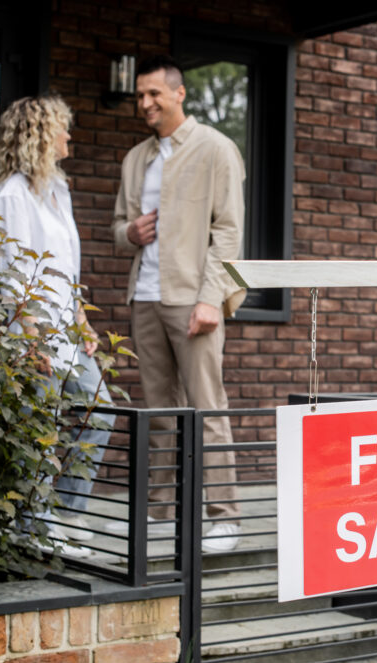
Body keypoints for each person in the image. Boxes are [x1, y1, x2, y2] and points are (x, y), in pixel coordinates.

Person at [111, 55, 245, 553]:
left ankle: (225, 518)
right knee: (159, 414)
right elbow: (118, 227)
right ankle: (159, 517)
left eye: (154, 94)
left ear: (179, 94)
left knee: (208, 407)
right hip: (144, 298)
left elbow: (229, 230)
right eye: (140, 96)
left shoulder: (215, 149)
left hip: (193, 299)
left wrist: (212, 298)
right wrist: (129, 232)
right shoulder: (134, 159)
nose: (145, 103)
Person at [0, 94, 116, 550]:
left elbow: (66, 264)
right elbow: (14, 271)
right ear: (41, 135)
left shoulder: (58, 190)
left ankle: (61, 513)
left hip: (66, 325)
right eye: (62, 127)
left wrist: (81, 317)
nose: (69, 135)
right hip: (33, 332)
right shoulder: (11, 195)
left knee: (97, 409)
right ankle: (34, 526)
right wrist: (31, 336)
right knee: (38, 426)